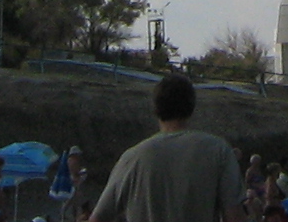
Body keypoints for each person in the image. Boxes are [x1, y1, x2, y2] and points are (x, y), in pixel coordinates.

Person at [89, 74, 245, 222]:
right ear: (191, 106)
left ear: (155, 108)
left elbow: (98, 218)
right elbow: (234, 216)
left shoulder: (131, 159)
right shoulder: (218, 151)